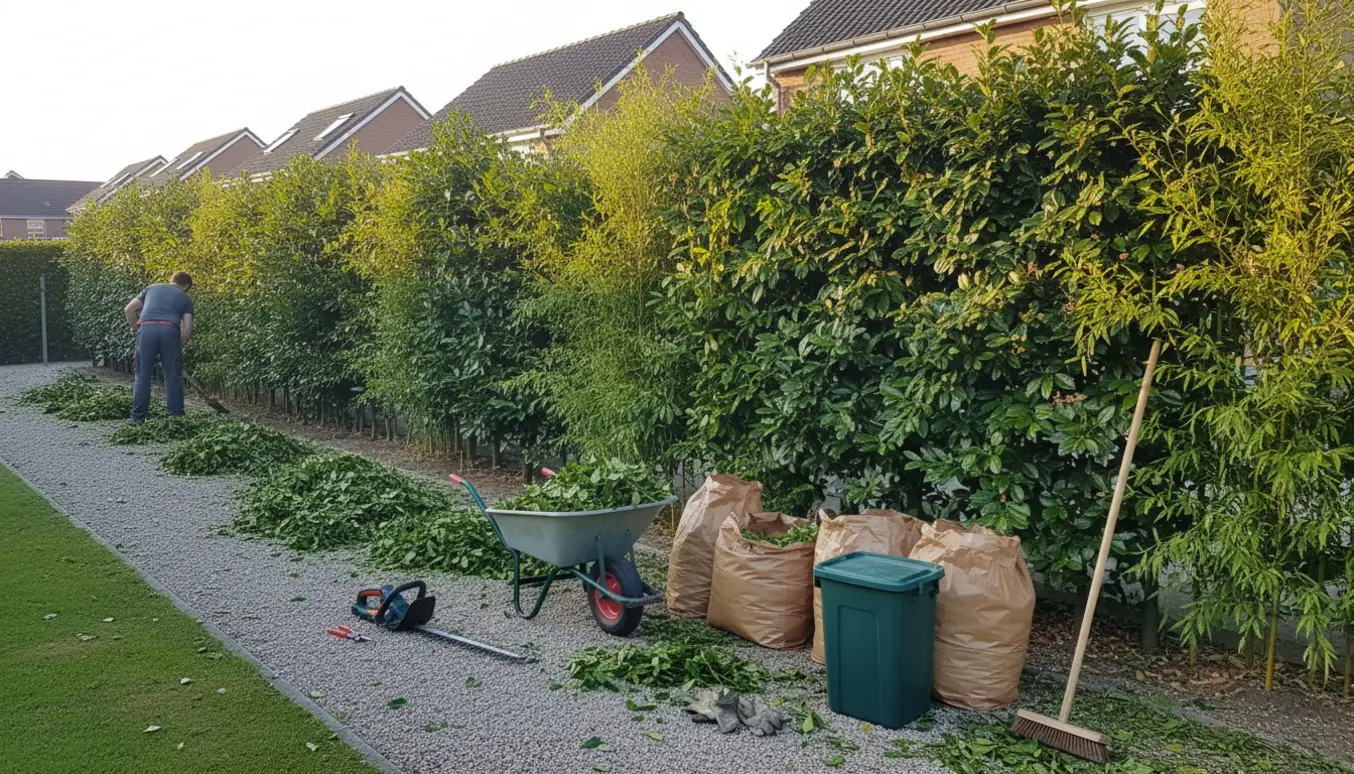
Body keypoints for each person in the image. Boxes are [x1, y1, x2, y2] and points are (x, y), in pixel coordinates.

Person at [124, 271, 195, 423]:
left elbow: (129, 310)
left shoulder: (151, 288)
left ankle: (138, 418)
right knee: (172, 375)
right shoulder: (185, 298)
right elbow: (187, 329)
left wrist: (137, 328)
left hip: (146, 329)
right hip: (169, 330)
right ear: (186, 286)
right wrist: (177, 346)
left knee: (142, 374)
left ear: (171, 281)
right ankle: (176, 417)